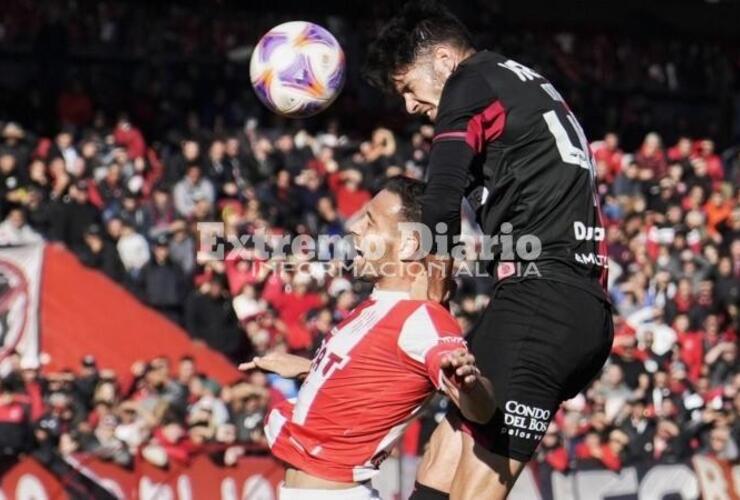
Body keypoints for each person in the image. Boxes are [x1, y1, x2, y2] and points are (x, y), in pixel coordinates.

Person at [365, 2, 614, 498]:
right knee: (442, 454)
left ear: (441, 58)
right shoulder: (519, 79)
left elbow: (442, 195)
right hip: (564, 301)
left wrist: (427, 302)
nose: (409, 107)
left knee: (472, 486)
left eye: (408, 88)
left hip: (542, 301)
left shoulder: (467, 83)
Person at [239, 177, 493, 500]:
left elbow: (481, 410)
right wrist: (309, 368)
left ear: (408, 244)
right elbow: (374, 382)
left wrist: (469, 386)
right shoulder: (377, 303)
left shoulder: (423, 319)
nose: (355, 228)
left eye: (370, 221)